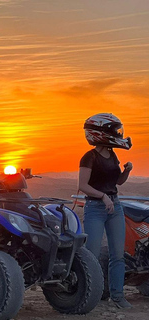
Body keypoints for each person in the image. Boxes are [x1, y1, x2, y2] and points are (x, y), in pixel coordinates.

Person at [78, 113, 133, 309]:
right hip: (95, 208)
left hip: (114, 206)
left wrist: (126, 171)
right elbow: (83, 185)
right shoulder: (89, 157)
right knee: (91, 254)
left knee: (117, 254)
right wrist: (102, 196)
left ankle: (117, 296)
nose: (117, 133)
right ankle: (88, 294)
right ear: (101, 132)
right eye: (113, 130)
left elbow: (117, 182)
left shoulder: (113, 154)